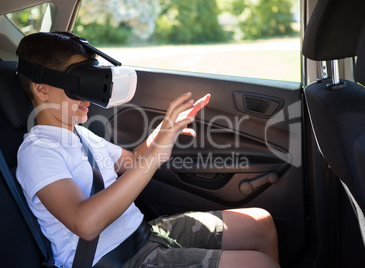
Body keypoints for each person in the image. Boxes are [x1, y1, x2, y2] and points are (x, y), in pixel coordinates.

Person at [16, 31, 280, 268]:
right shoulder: (38, 152)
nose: (89, 97)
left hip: (142, 235)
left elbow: (132, 162)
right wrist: (155, 158)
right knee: (258, 264)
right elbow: (85, 224)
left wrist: (164, 131)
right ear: (42, 89)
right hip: (113, 259)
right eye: (78, 87)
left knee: (260, 223)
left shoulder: (80, 134)